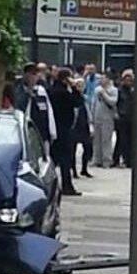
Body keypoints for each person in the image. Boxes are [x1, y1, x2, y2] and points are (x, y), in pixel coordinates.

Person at [49, 68, 83, 196]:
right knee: (65, 160)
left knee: (54, 159)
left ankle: (53, 185)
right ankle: (67, 186)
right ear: (66, 79)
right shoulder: (63, 92)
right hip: (64, 129)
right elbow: (78, 102)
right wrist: (75, 88)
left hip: (54, 128)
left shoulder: (52, 90)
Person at [14, 62, 57, 153]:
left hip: (42, 134)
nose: (33, 77)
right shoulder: (19, 90)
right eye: (30, 74)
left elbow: (48, 111)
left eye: (35, 74)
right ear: (25, 75)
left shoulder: (41, 91)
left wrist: (52, 132)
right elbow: (19, 107)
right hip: (27, 135)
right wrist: (28, 92)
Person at [92, 75, 118, 169]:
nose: (101, 80)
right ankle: (96, 159)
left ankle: (106, 160)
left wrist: (104, 94)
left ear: (108, 79)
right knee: (96, 140)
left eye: (103, 78)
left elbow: (113, 102)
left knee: (106, 139)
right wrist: (92, 116)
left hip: (107, 117)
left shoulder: (113, 90)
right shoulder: (96, 90)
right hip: (97, 117)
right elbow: (94, 103)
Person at [71, 79, 94, 179]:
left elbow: (88, 110)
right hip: (75, 125)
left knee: (87, 146)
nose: (80, 87)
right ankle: (74, 170)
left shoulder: (85, 98)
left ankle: (84, 169)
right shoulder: (72, 97)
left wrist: (90, 123)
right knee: (73, 149)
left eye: (82, 85)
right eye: (78, 85)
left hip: (84, 125)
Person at [113, 69, 134, 168]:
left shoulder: (133, 91)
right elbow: (116, 103)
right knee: (121, 139)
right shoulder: (119, 90)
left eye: (130, 80)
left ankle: (128, 159)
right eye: (127, 80)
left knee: (129, 140)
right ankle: (116, 159)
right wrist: (116, 113)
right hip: (121, 117)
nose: (128, 82)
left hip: (130, 117)